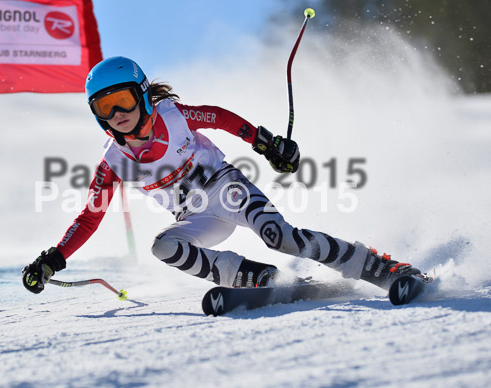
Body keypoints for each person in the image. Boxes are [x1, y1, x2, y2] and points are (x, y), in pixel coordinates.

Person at [22, 56, 419, 294]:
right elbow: (89, 217)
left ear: (142, 94)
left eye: (122, 100)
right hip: (196, 219)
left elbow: (219, 117)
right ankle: (258, 279)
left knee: (279, 237)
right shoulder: (113, 162)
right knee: (163, 247)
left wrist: (265, 143)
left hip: (227, 189)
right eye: (104, 108)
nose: (117, 114)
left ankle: (381, 268)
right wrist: (53, 259)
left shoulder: (173, 117)